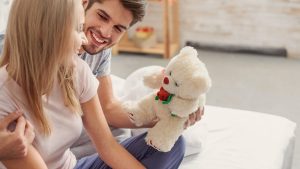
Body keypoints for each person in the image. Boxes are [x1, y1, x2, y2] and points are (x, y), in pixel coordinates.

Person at [0, 0, 204, 168]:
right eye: (102, 16)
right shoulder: (7, 92)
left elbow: (107, 131)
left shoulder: (78, 70)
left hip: (73, 163)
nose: (104, 33)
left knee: (172, 144)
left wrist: (166, 116)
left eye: (118, 28)